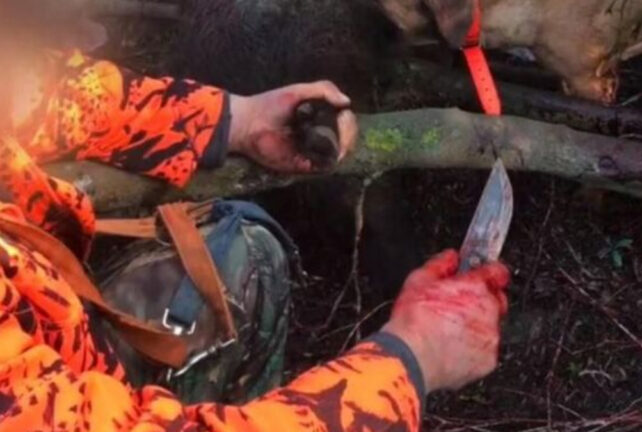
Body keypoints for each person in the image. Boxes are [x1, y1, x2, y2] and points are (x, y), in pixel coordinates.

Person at [0, 6, 511, 432]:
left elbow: (38, 96)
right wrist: (410, 362)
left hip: (55, 329)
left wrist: (232, 121)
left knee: (245, 251)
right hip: (58, 398)